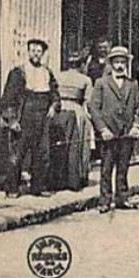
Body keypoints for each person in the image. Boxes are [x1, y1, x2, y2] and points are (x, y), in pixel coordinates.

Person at [0, 38, 59, 197]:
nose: (36, 54)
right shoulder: (19, 72)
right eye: (33, 50)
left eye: (39, 51)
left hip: (42, 116)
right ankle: (12, 188)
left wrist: (53, 107)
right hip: (24, 115)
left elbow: (55, 94)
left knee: (42, 153)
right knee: (18, 153)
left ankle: (38, 187)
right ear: (28, 52)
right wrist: (12, 120)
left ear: (43, 53)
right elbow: (8, 98)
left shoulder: (47, 73)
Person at [87, 46, 139, 212]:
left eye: (122, 62)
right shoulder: (101, 83)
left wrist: (136, 126)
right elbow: (94, 108)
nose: (119, 65)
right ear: (111, 64)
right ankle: (105, 201)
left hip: (126, 134)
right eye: (116, 62)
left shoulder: (132, 84)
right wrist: (102, 129)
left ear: (126, 64)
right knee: (106, 169)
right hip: (108, 134)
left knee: (123, 168)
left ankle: (122, 198)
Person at [51, 48, 93, 191]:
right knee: (77, 145)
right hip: (77, 111)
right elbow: (89, 102)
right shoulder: (85, 80)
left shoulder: (58, 76)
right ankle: (76, 177)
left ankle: (57, 177)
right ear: (81, 64)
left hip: (59, 110)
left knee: (59, 144)